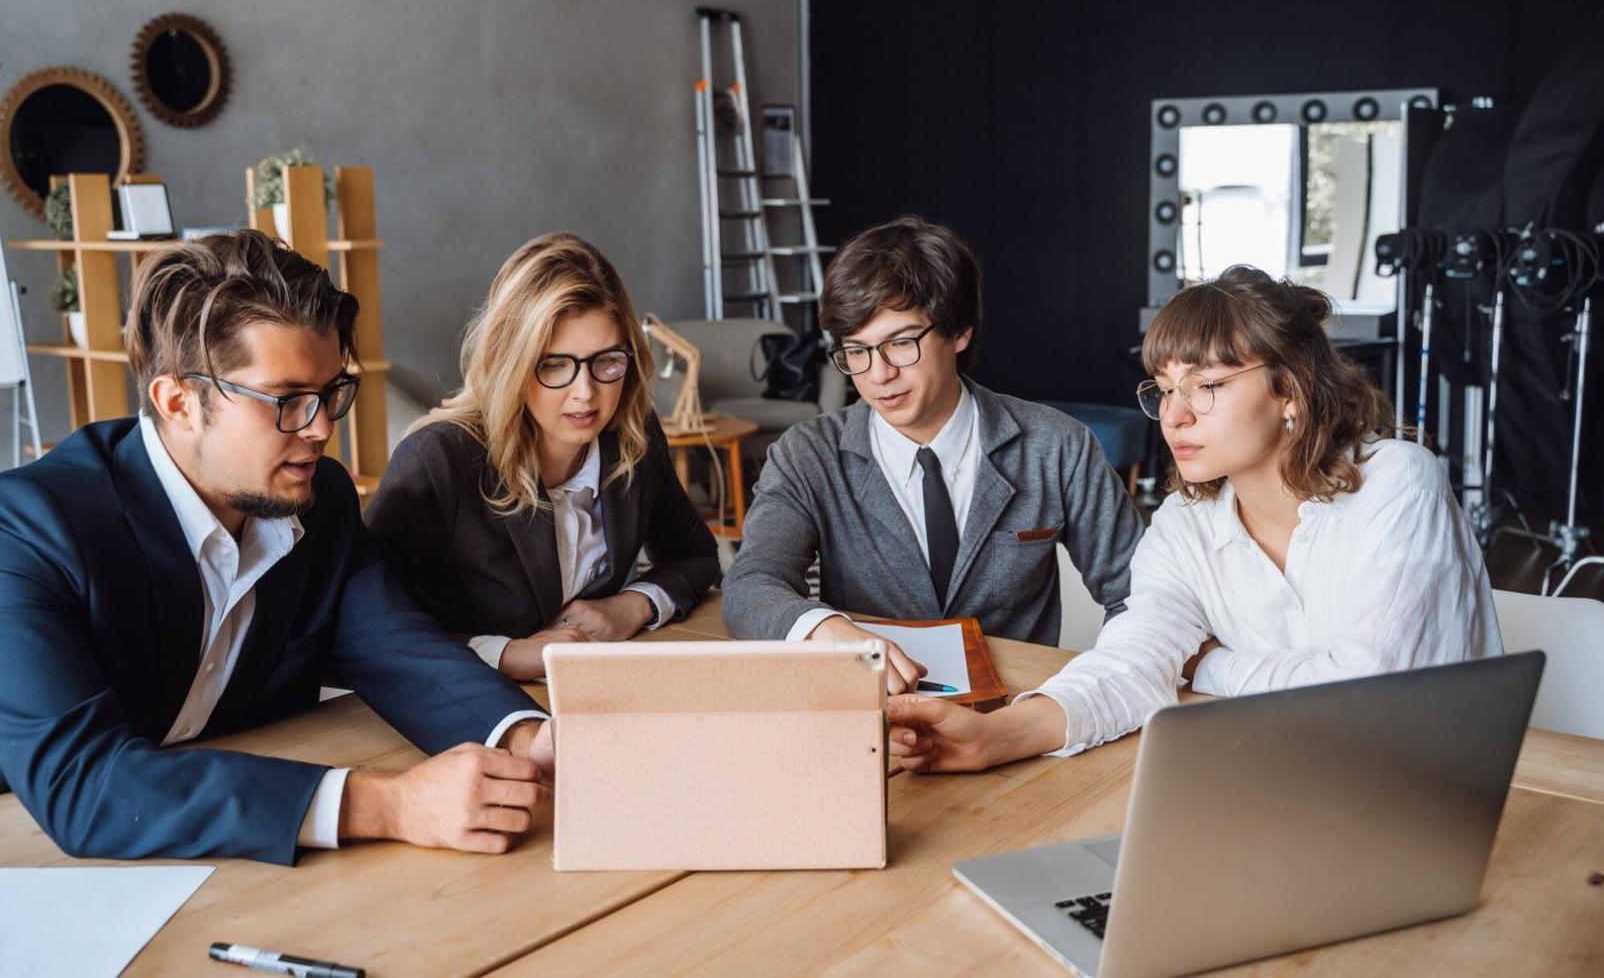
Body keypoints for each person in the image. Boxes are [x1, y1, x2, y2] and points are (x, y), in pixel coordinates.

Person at [0, 230, 554, 865]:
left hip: (232, 849)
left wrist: (532, 739)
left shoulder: (321, 500)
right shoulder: (28, 529)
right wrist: (388, 804)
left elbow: (398, 650)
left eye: (329, 394)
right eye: (287, 400)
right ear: (179, 402)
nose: (321, 428)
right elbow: (85, 784)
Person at [887, 265, 1503, 771]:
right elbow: (1131, 659)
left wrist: (1207, 663)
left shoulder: (1398, 481)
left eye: (1206, 385)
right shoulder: (1186, 520)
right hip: (1277, 780)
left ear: (1290, 389)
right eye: (1164, 388)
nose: (1174, 416)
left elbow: (1368, 697)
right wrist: (993, 737)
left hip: (1430, 790)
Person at [722, 216, 1144, 693]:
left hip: (1019, 713)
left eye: (900, 343)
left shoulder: (1057, 446)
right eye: (856, 351)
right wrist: (826, 630)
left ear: (959, 331)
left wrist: (1089, 693)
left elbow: (1140, 597)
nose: (878, 375)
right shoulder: (806, 454)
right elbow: (751, 584)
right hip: (877, 709)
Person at [365, 233, 718, 680]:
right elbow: (365, 627)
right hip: (458, 698)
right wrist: (506, 655)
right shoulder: (437, 459)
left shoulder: (631, 434)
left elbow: (695, 556)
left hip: (589, 688)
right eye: (554, 364)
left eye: (607, 360)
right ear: (510, 363)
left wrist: (632, 605)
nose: (585, 393)